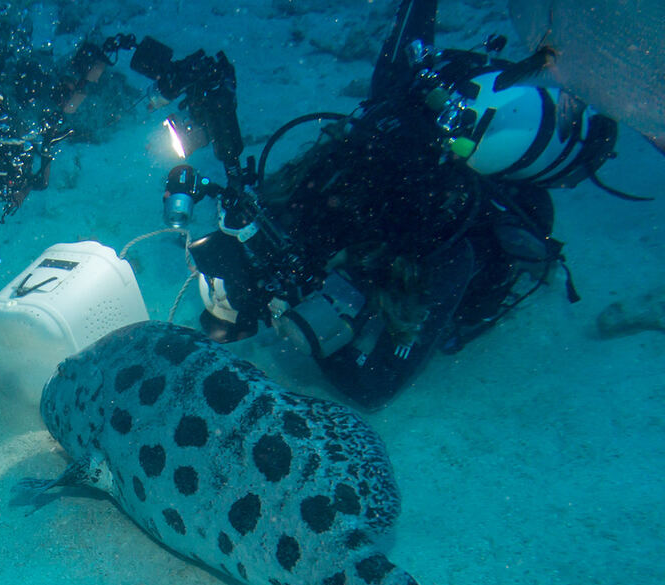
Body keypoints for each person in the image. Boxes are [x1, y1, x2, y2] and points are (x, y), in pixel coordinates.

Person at [182, 0, 613, 408]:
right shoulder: (386, 109)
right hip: (424, 143)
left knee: (473, 270)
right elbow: (411, 30)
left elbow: (374, 386)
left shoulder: (438, 238)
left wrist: (310, 332)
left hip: (469, 228)